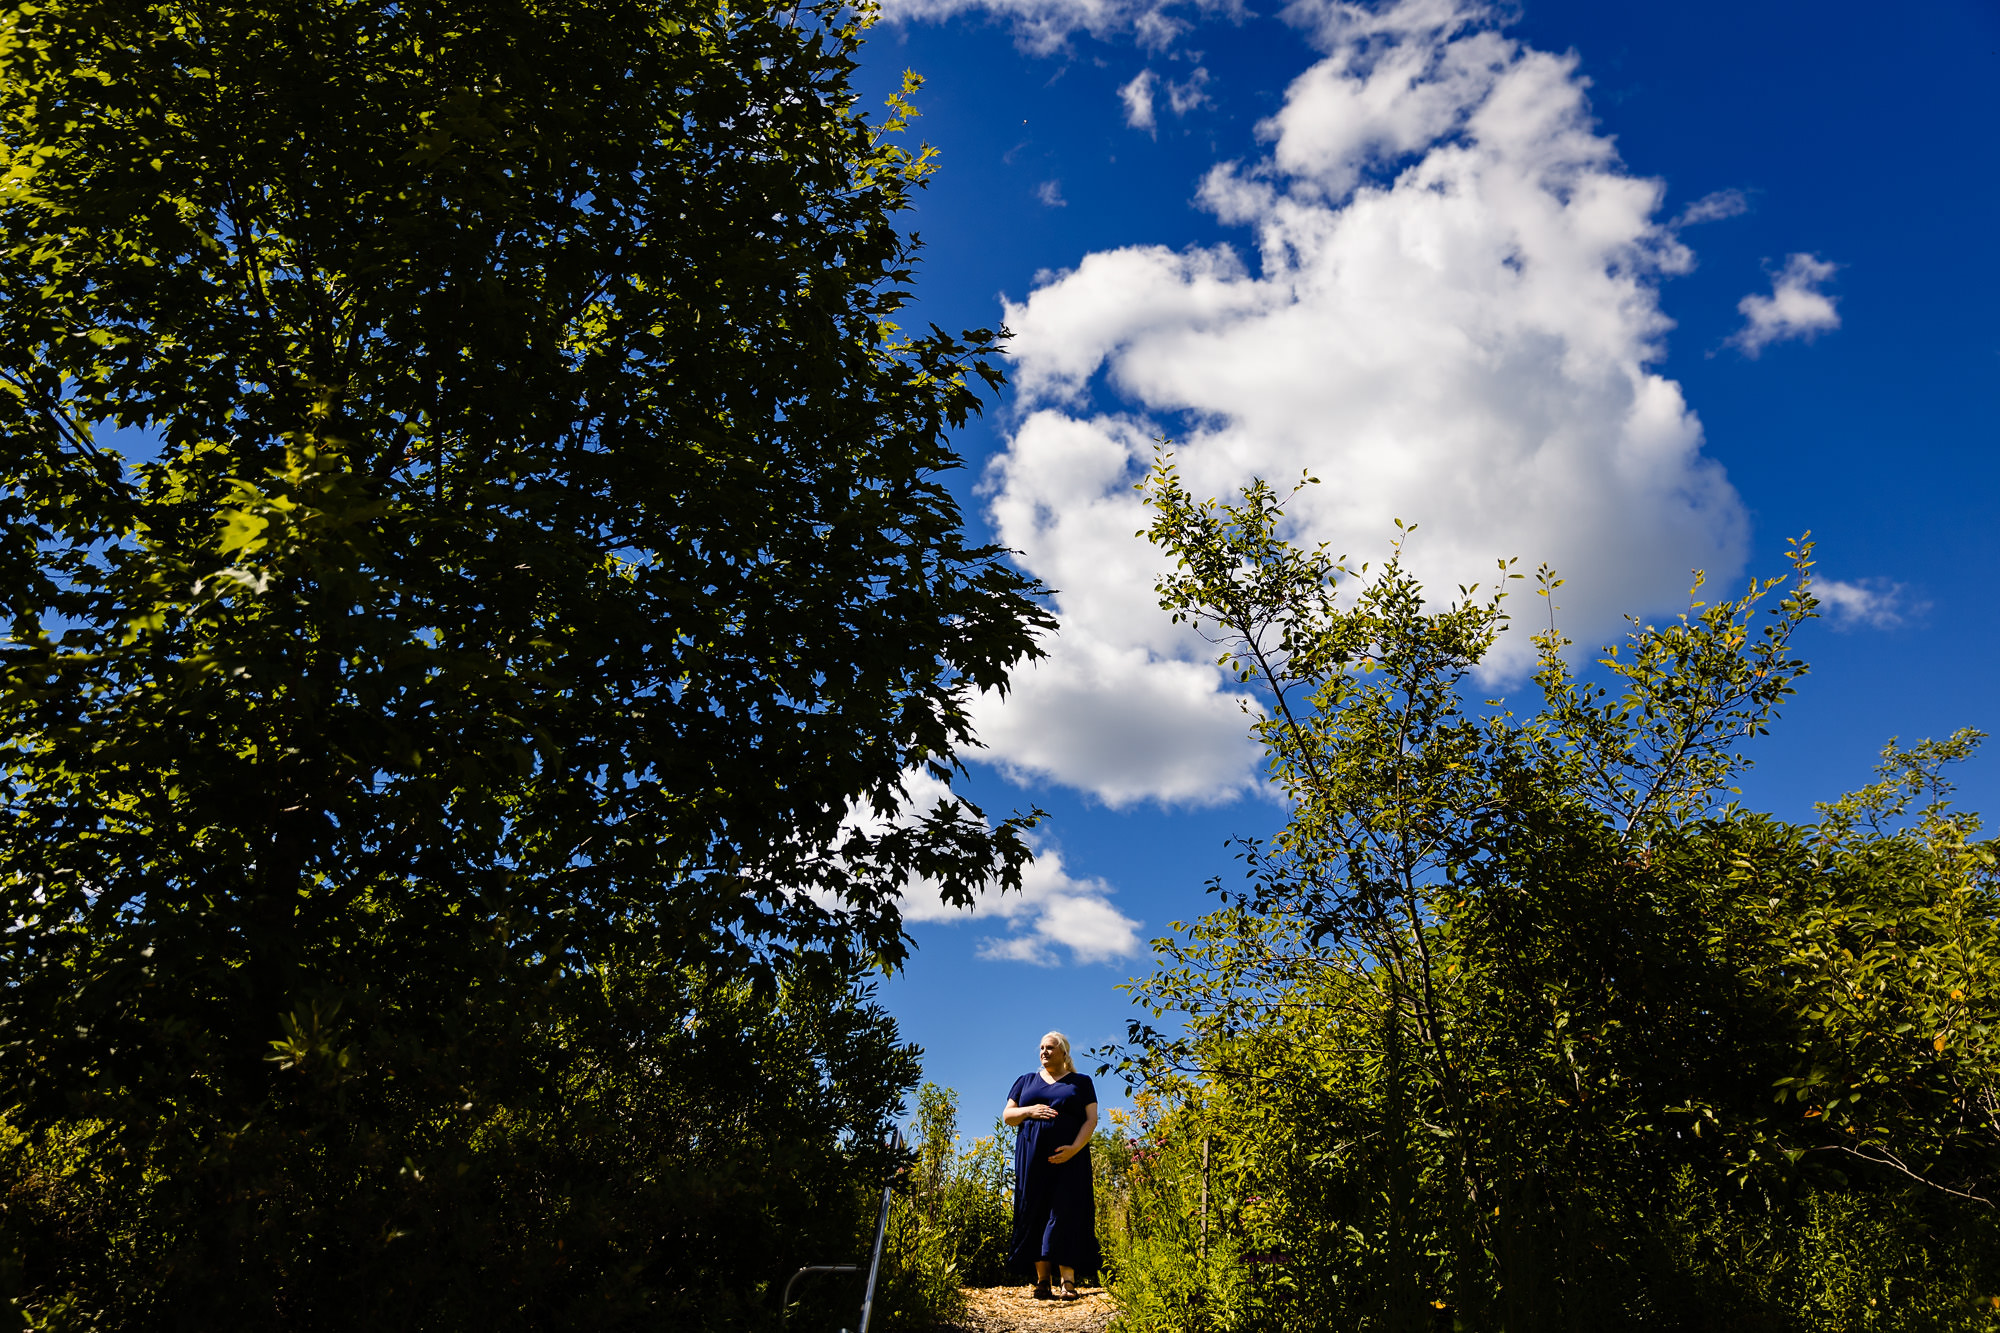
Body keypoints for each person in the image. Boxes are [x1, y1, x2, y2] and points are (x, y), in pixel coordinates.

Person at [1003, 1031, 1100, 1300]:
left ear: (1064, 1053)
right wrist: (1029, 1111)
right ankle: (1042, 1281)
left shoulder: (1081, 1082)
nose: (1044, 1052)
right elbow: (1008, 1116)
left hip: (1070, 1158)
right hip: (1031, 1158)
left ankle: (1067, 1281)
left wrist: (1074, 1149)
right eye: (1042, 1048)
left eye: (1050, 1048)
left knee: (1066, 1211)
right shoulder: (1026, 1081)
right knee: (1034, 1211)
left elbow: (1091, 1120)